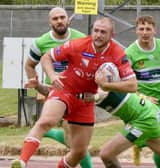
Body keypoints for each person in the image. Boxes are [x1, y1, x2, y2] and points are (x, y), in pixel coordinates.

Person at [11, 17, 137, 168]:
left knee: (79, 152)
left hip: (85, 102)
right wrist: (52, 76)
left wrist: (106, 85)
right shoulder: (78, 44)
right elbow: (46, 57)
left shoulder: (117, 53)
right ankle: (22, 161)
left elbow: (132, 85)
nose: (98, 35)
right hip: (64, 90)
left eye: (103, 32)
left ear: (112, 35)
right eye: (95, 31)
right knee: (46, 121)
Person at [14, 6, 93, 168]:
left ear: (68, 19)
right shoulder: (41, 42)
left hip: (79, 95)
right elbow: (29, 65)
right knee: (50, 124)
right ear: (49, 22)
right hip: (57, 93)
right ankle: (22, 160)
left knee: (75, 142)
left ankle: (52, 133)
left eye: (62, 17)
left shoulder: (82, 39)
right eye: (55, 19)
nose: (59, 21)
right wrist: (37, 85)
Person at [93, 68, 160, 168]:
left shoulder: (100, 80)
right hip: (148, 113)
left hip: (143, 118)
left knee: (106, 155)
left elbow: (96, 95)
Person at [126, 15, 160, 168]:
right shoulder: (130, 53)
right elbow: (125, 84)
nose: (145, 32)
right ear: (136, 31)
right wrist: (142, 97)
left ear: (154, 30)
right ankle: (138, 143)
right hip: (144, 103)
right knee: (159, 141)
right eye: (141, 29)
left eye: (148, 29)